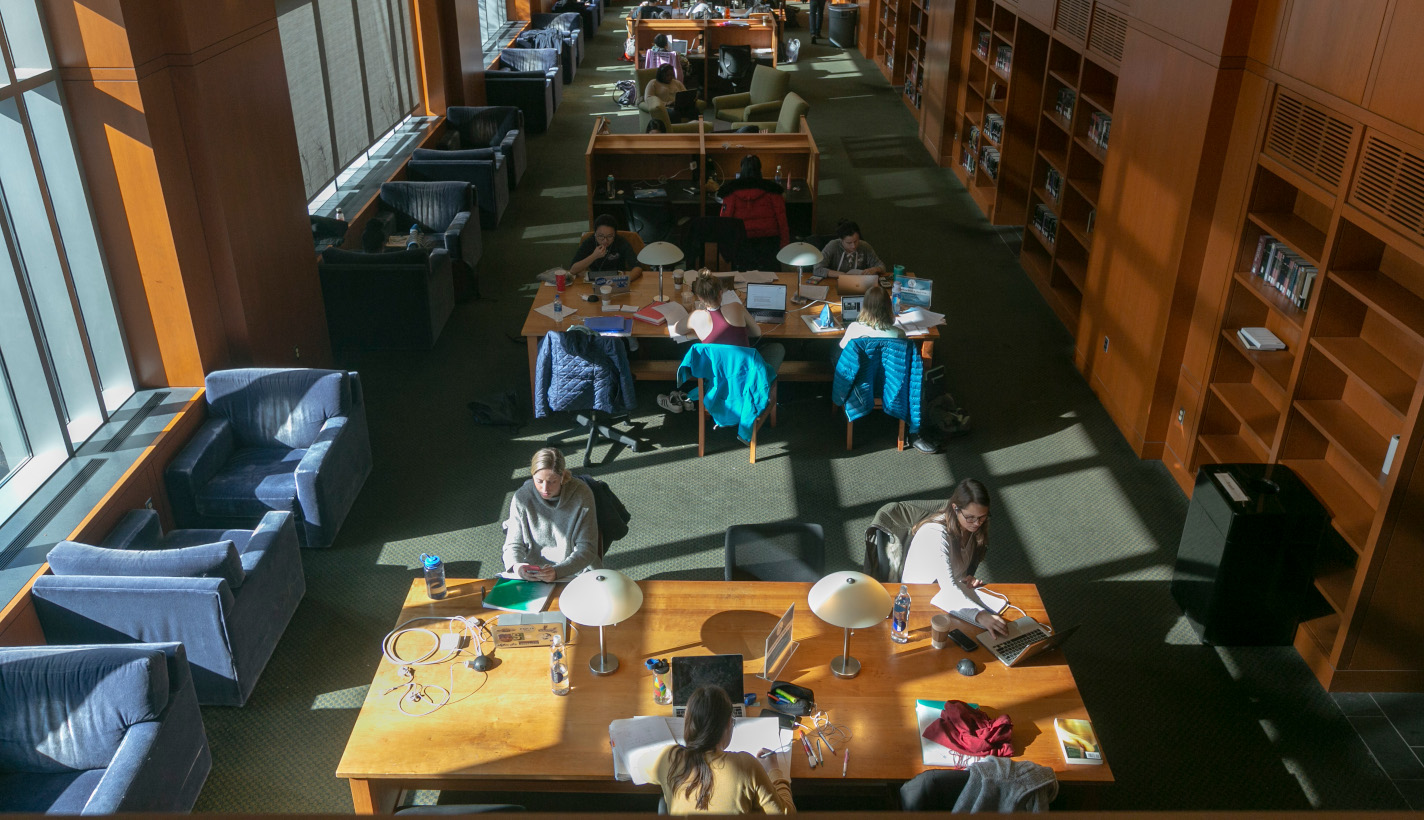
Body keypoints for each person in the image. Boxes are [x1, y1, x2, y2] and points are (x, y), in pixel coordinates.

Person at [644, 685, 795, 814]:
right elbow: (786, 814)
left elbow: (640, 768)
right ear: (728, 724)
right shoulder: (746, 766)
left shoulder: (668, 758)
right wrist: (775, 771)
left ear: (687, 722)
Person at [660, 272, 785, 412]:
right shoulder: (736, 307)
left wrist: (697, 326)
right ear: (721, 293)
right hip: (747, 379)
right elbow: (757, 333)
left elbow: (678, 328)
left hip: (719, 381)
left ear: (699, 297)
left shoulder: (696, 317)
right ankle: (762, 388)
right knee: (777, 348)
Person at [900, 479, 1009, 637]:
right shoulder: (935, 534)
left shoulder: (971, 529)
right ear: (955, 508)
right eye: (970, 517)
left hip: (944, 597)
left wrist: (965, 579)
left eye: (982, 517)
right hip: (919, 603)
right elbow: (948, 588)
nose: (977, 523)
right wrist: (981, 615)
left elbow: (951, 576)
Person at [502, 448, 599, 582]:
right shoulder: (522, 497)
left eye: (552, 481)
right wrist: (517, 567)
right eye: (539, 481)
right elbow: (512, 544)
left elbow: (587, 548)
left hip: (575, 570)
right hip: (534, 572)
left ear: (563, 476)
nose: (545, 489)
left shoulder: (582, 494)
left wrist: (558, 571)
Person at [717, 155, 788, 271]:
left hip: (742, 243)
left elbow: (725, 221)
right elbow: (782, 219)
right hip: (769, 242)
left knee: (743, 279)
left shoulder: (731, 190)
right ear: (760, 170)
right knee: (770, 277)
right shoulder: (773, 190)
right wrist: (784, 244)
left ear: (742, 170)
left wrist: (725, 248)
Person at [570, 214, 645, 280]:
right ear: (595, 234)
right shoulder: (589, 242)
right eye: (601, 236)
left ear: (615, 234)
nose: (605, 240)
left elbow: (637, 267)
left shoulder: (621, 241)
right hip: (594, 280)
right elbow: (573, 270)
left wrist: (626, 280)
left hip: (617, 279)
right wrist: (594, 256)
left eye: (609, 236)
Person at [839, 284, 905, 349]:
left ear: (864, 306)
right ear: (889, 306)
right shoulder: (898, 334)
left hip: (861, 360)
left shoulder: (853, 328)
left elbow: (843, 348)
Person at [814, 220, 886, 278]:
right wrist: (842, 275)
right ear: (841, 240)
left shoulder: (865, 246)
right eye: (849, 243)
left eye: (856, 241)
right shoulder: (833, 246)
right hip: (835, 283)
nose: (853, 246)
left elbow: (882, 266)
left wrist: (875, 269)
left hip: (859, 284)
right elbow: (817, 269)